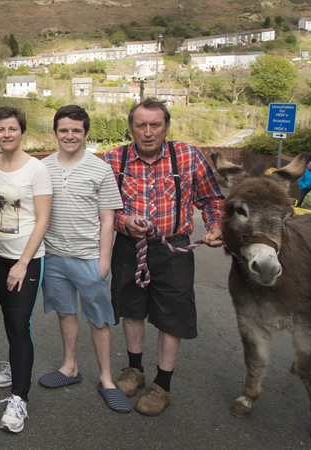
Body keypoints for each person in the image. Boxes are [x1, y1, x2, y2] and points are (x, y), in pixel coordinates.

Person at [103, 98, 224, 416]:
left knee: (172, 316)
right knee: (131, 309)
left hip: (174, 247)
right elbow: (104, 207)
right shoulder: (115, 158)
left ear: (166, 127)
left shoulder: (187, 154)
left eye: (155, 125)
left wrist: (215, 226)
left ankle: (162, 384)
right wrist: (123, 222)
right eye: (140, 125)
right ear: (131, 127)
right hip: (130, 247)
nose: (147, 132)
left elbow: (212, 198)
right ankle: (134, 369)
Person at [35, 105, 132, 414]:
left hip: (90, 258)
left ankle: (106, 379)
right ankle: (69, 367)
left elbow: (108, 221)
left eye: (76, 130)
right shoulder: (43, 168)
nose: (70, 135)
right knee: (65, 313)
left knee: (100, 320)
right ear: (55, 133)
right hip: (54, 258)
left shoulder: (100, 169)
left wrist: (103, 263)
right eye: (64, 130)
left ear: (86, 134)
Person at [0, 107, 52, 433]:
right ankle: (15, 367)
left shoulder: (36, 170)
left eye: (12, 129)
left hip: (25, 259)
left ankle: (19, 398)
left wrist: (23, 263)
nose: (6, 134)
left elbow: (42, 220)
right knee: (10, 317)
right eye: (1, 129)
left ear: (21, 131)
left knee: (19, 321)